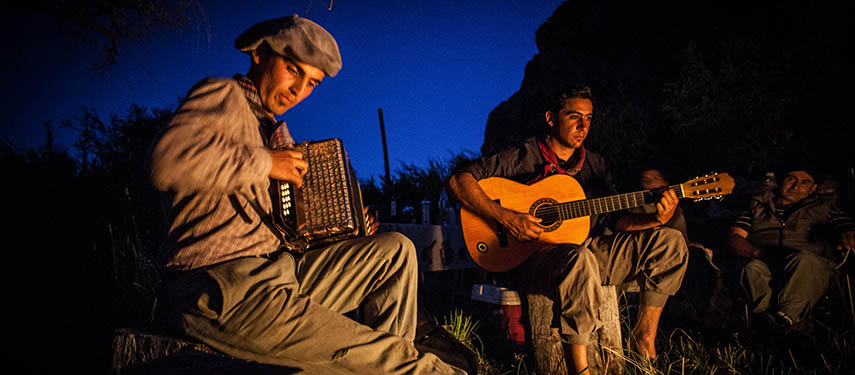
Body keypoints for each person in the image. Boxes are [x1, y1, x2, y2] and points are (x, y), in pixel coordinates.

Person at [149, 15, 466, 374]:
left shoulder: (273, 129)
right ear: (259, 53)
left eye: (312, 83)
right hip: (223, 288)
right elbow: (166, 161)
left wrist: (347, 227)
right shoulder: (223, 95)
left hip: (280, 273)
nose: (299, 90)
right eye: (292, 70)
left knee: (395, 251)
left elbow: (280, 228)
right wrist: (266, 162)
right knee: (397, 359)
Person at [448, 86, 688, 372]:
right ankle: (580, 369)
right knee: (578, 258)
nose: (583, 126)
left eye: (588, 118)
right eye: (574, 117)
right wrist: (506, 217)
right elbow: (459, 181)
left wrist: (657, 220)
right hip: (532, 258)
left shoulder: (596, 165)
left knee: (670, 242)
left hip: (586, 251)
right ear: (551, 118)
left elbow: (614, 221)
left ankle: (643, 340)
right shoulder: (522, 155)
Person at [727, 168, 855, 332]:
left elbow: (847, 230)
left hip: (810, 264)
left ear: (813, 188)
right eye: (791, 179)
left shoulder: (827, 208)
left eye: (805, 182)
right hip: (765, 259)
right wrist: (757, 253)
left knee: (804, 260)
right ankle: (772, 322)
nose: (796, 186)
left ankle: (785, 319)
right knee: (751, 268)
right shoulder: (757, 205)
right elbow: (734, 238)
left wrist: (848, 236)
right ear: (781, 182)